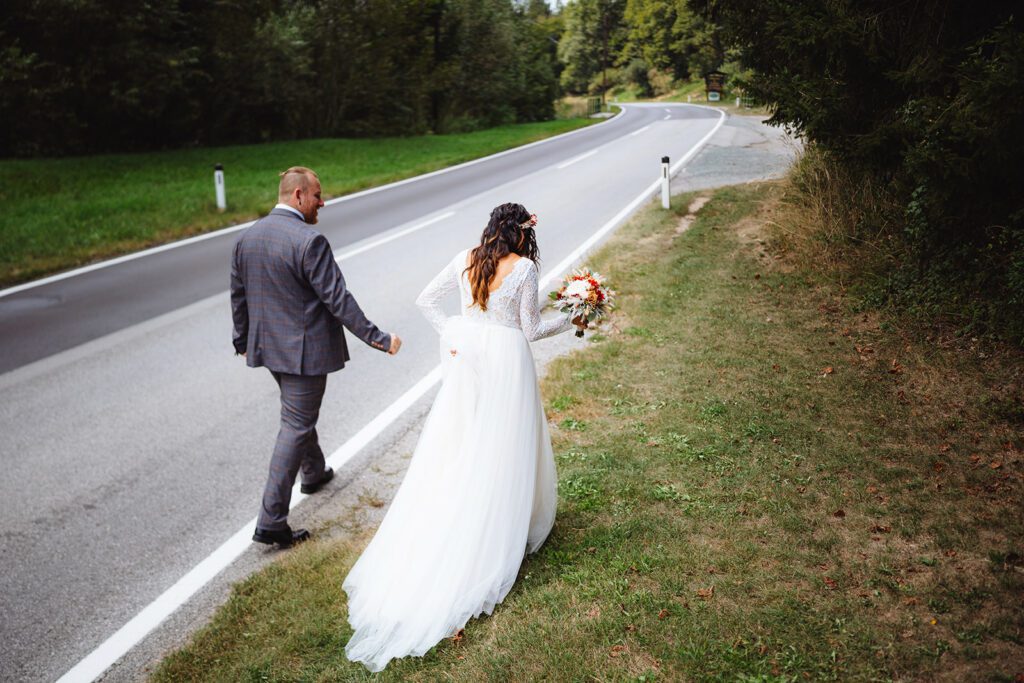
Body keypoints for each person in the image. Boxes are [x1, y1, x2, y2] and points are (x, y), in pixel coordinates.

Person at [343, 202, 581, 671]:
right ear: (521, 231)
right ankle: (502, 523)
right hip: (507, 359)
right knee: (505, 441)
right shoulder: (525, 268)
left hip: (469, 358)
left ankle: (471, 506)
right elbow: (530, 329)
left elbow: (425, 301)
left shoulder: (465, 258)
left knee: (466, 440)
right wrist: (573, 316)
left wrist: (455, 332)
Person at [230, 166, 402, 548]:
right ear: (297, 196)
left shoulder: (247, 238)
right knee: (295, 424)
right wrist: (378, 338)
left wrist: (242, 338)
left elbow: (238, 294)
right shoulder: (309, 241)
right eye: (317, 195)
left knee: (297, 415)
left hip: (268, 348)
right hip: (303, 354)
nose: (322, 202)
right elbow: (337, 298)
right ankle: (271, 521)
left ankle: (314, 471)